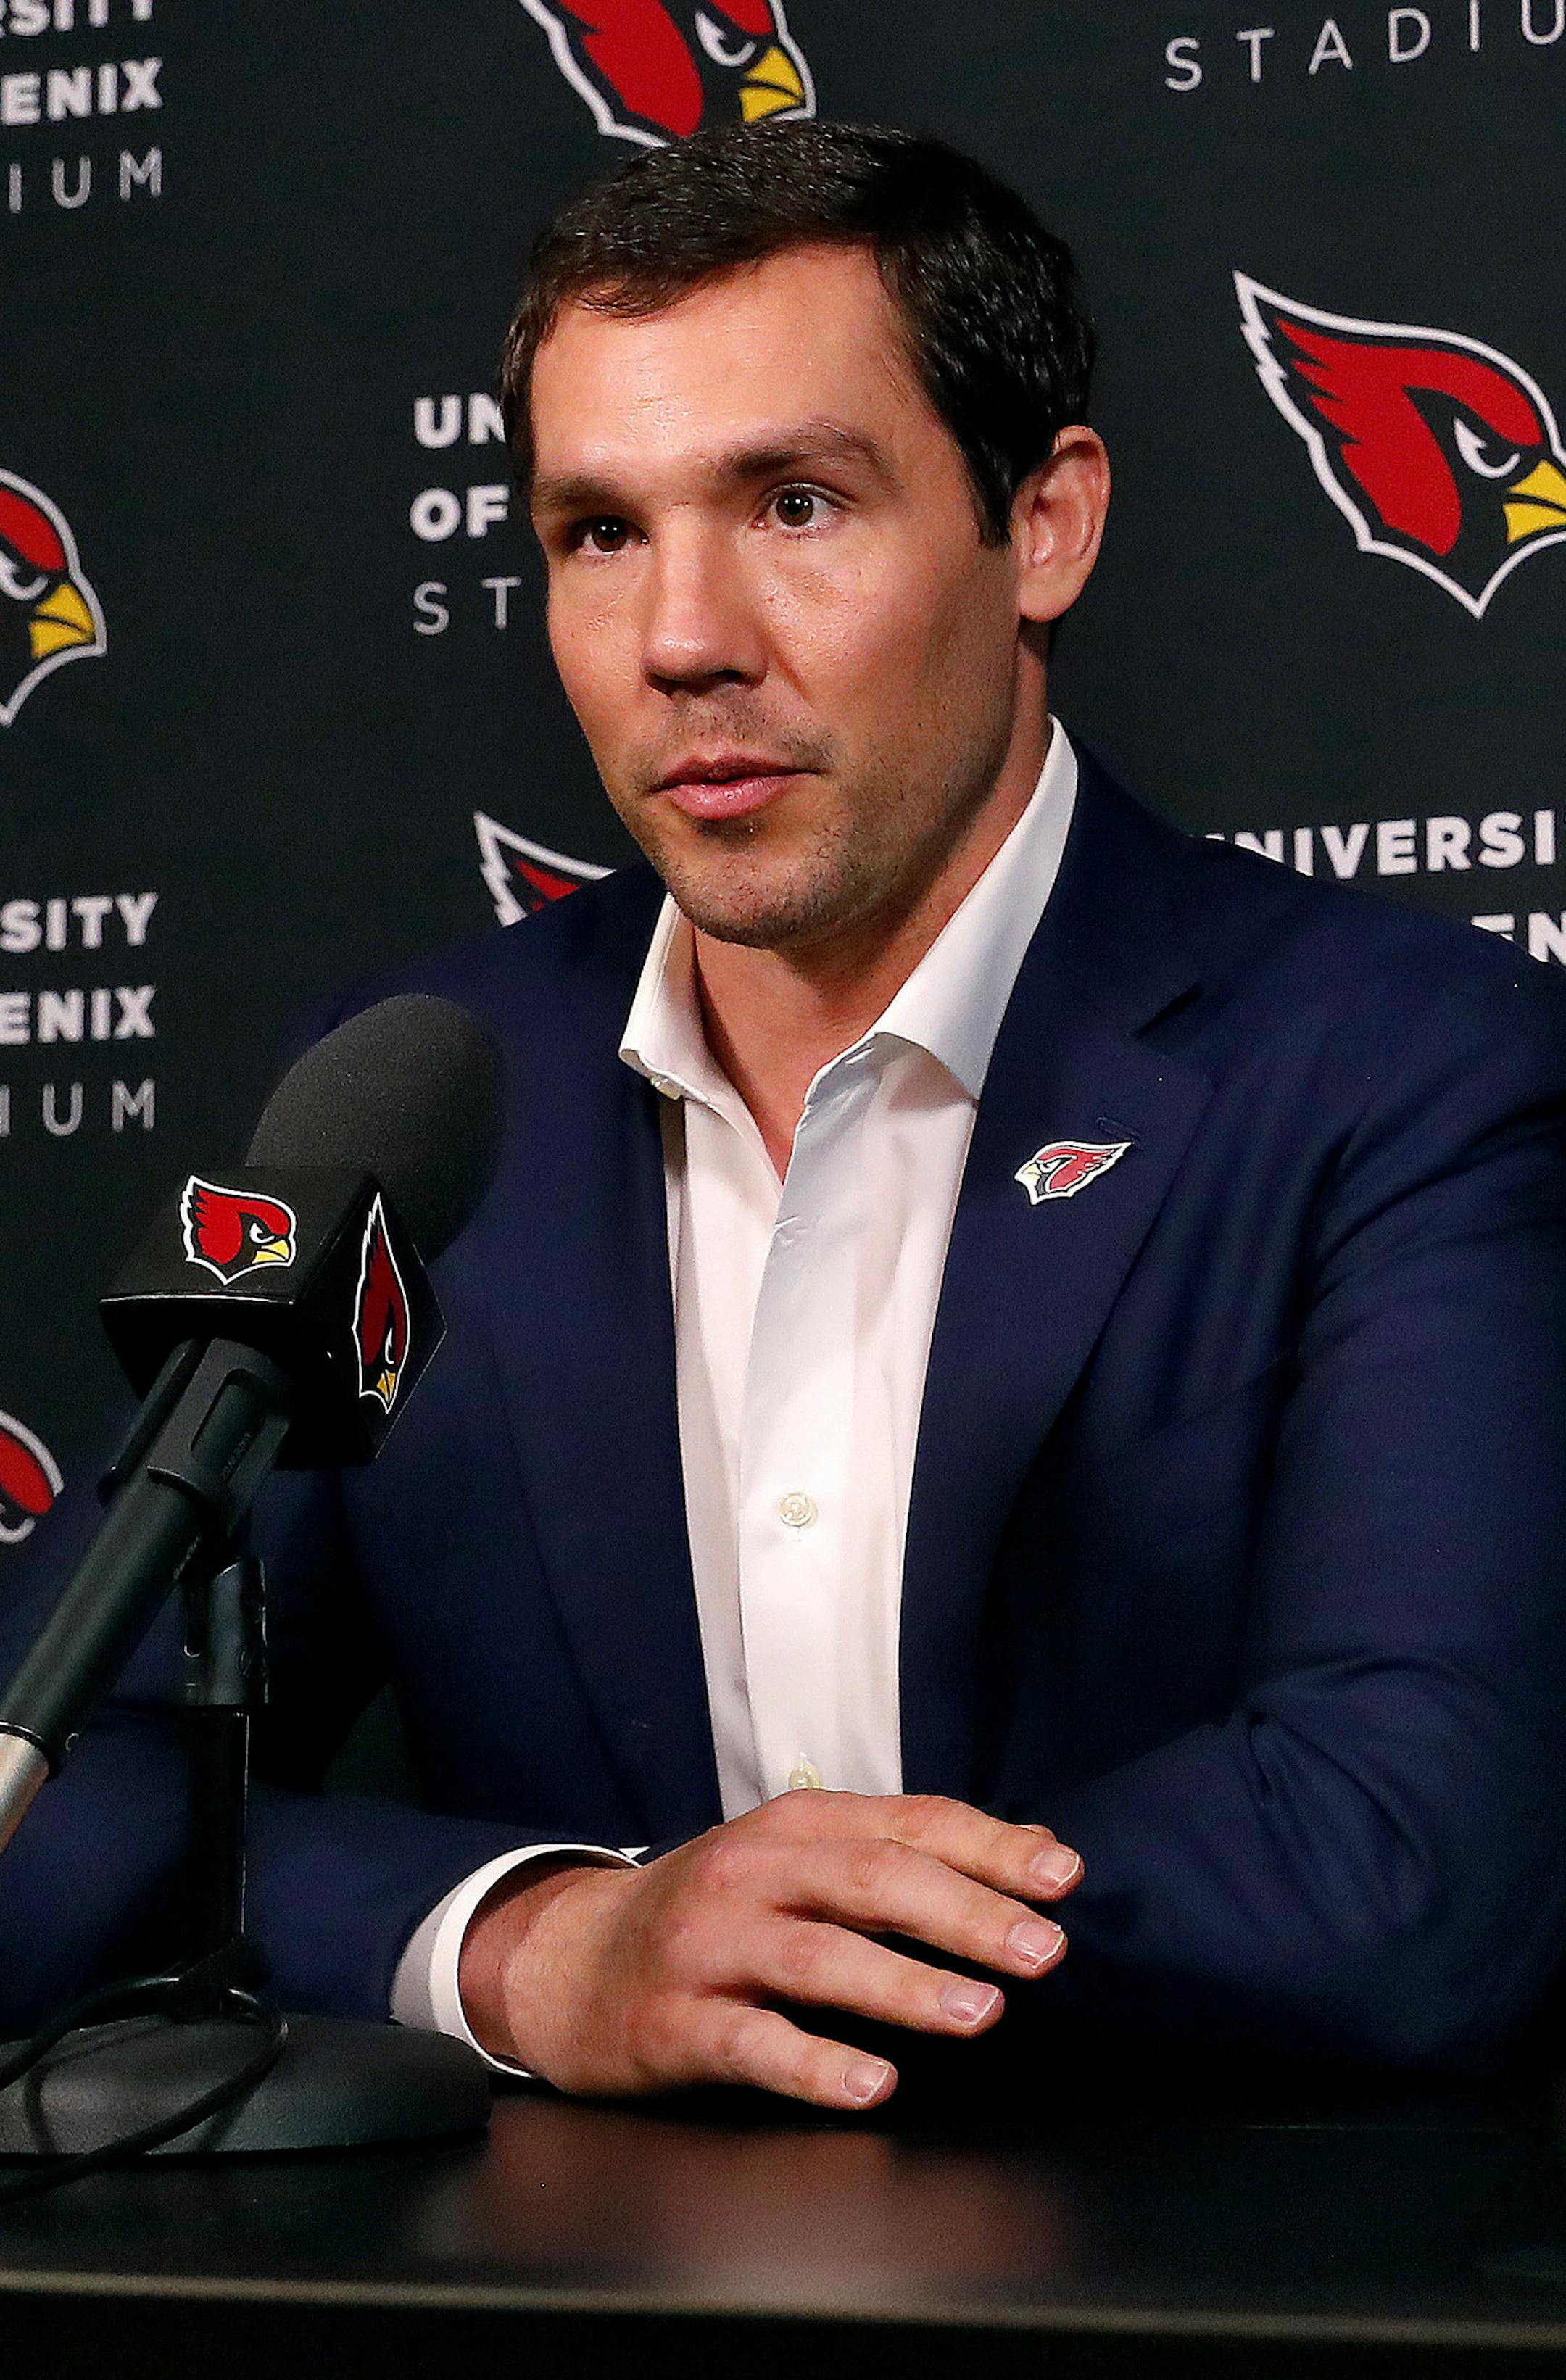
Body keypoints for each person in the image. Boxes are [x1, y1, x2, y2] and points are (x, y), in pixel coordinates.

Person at [4, 122, 1566, 2112]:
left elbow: (1412, 1858)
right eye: (599, 532)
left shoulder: (1409, 1065)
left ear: (1048, 523)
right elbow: (49, 1788)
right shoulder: (418, 1103)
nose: (683, 637)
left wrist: (762, 1954)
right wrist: (547, 1942)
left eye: (798, 502)